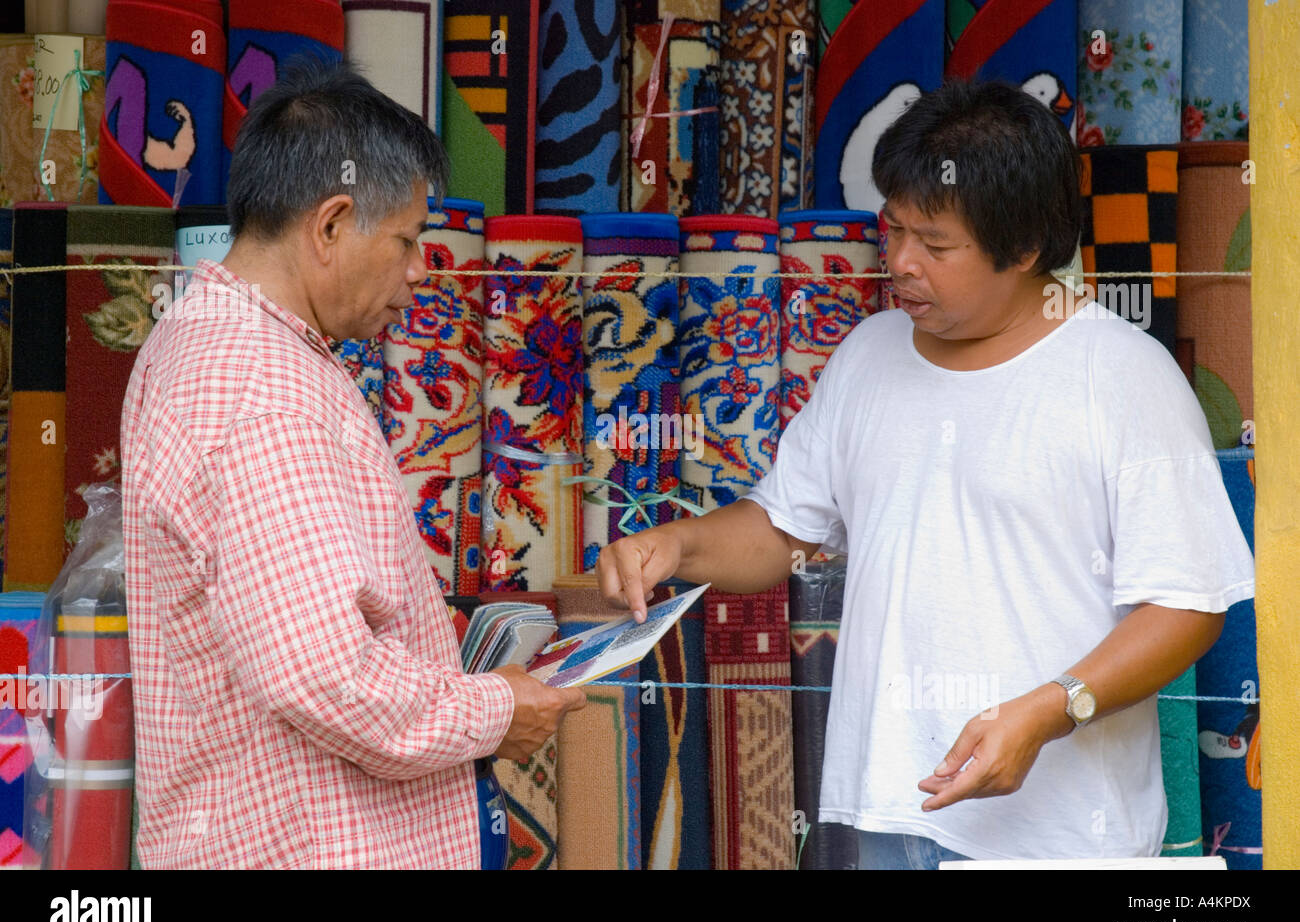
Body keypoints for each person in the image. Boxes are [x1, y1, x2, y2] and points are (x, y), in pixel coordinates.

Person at [596, 79, 1254, 867]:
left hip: (1053, 836)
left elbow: (1186, 607)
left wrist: (1050, 710)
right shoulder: (867, 356)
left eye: (935, 245)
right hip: (875, 812)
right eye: (893, 228)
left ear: (1024, 249)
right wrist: (675, 545)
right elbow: (781, 528)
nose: (900, 262)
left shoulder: (1124, 378)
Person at [120, 60, 585, 869]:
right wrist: (490, 712)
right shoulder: (259, 391)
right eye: (407, 240)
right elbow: (323, 674)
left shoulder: (215, 343)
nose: (419, 270)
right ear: (330, 225)